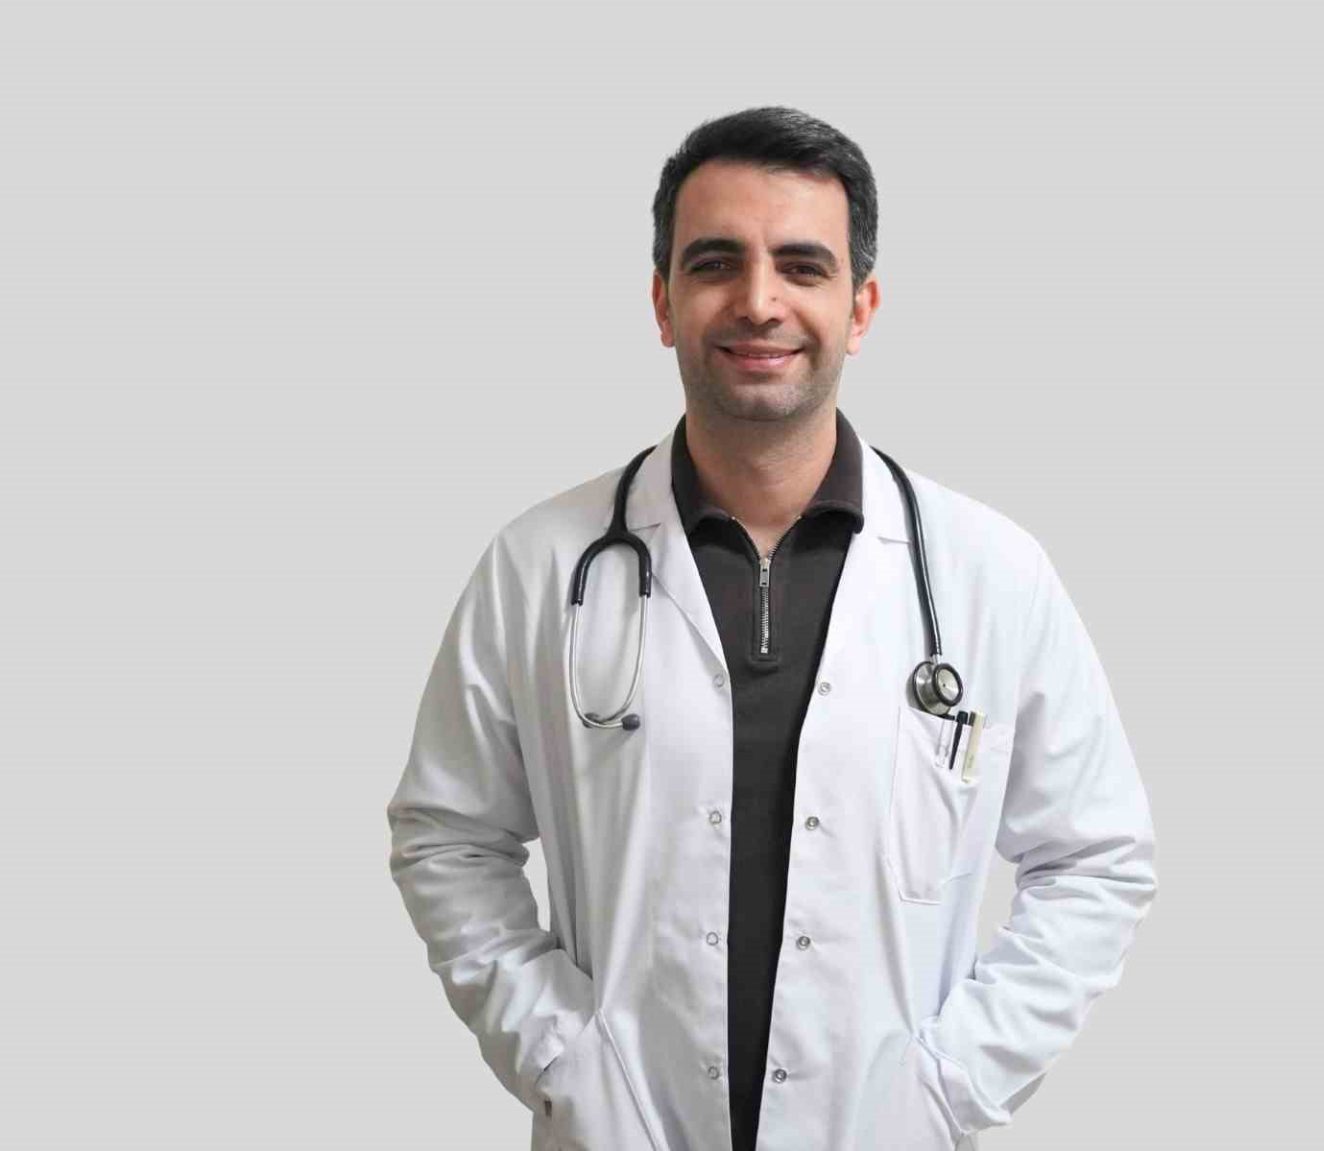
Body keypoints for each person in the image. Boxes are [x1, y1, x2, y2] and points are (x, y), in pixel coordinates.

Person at [386, 106, 1157, 1151]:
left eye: (802, 266)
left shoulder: (990, 574)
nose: (759, 302)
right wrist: (560, 1055)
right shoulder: (541, 565)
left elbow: (1097, 855)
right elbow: (447, 833)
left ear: (860, 306)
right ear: (662, 302)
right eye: (716, 263)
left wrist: (953, 1082)